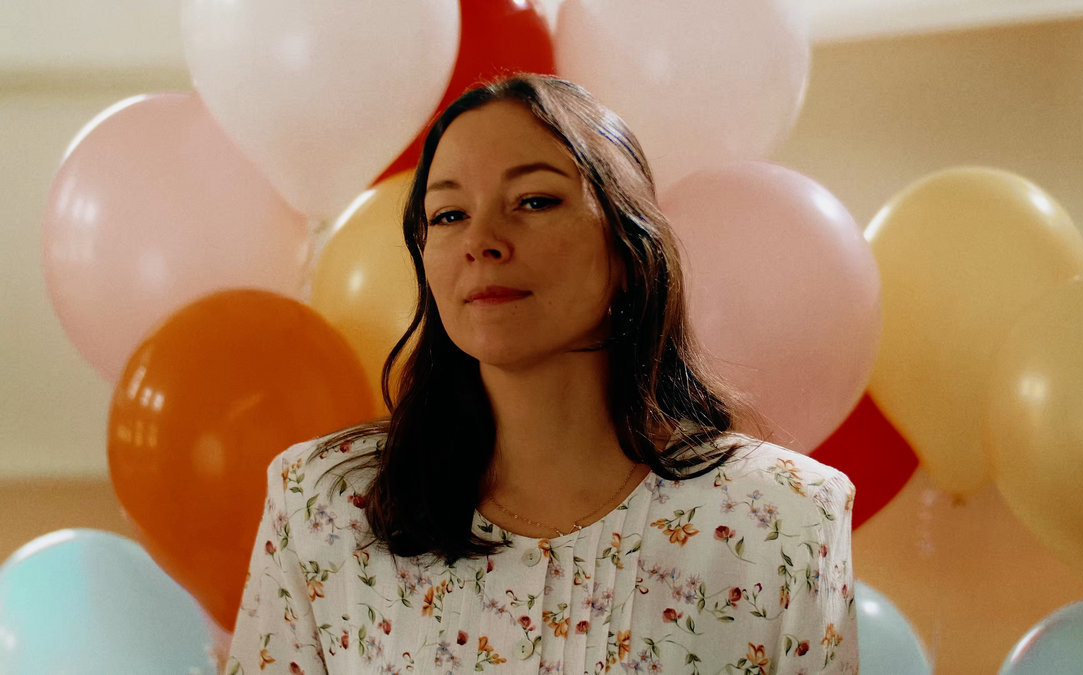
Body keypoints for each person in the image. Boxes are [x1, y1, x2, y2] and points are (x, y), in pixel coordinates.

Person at [224, 74, 857, 675]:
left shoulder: (786, 519)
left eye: (534, 201)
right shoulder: (323, 504)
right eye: (448, 214)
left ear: (629, 249)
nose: (481, 240)